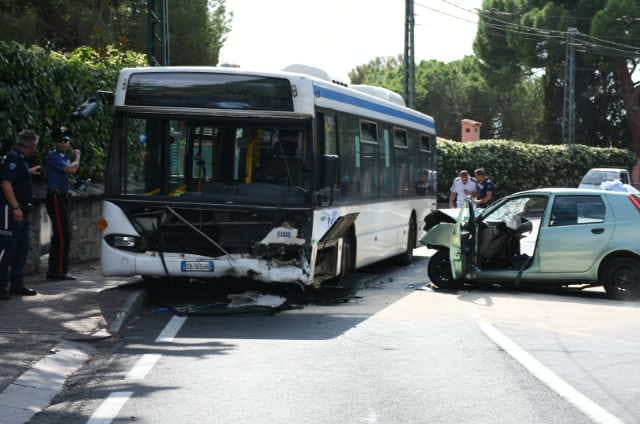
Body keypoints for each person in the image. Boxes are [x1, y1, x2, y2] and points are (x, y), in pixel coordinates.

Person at [0, 129, 41, 299]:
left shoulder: (21, 160)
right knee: (7, 249)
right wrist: (15, 207)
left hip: (22, 210)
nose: (36, 149)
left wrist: (28, 173)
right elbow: (6, 182)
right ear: (30, 145)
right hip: (12, 211)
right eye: (35, 145)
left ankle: (17, 283)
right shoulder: (13, 157)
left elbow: (16, 178)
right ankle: (1, 286)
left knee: (21, 248)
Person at [44, 126, 80, 281]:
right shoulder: (53, 156)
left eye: (66, 140)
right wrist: (78, 157)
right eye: (62, 140)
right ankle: (57, 272)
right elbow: (72, 169)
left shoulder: (63, 156)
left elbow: (72, 170)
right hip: (56, 197)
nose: (65, 143)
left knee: (64, 234)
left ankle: (59, 270)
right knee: (62, 234)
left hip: (62, 197)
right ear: (56, 142)